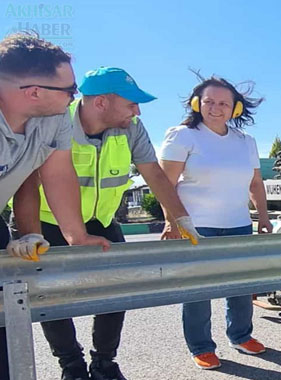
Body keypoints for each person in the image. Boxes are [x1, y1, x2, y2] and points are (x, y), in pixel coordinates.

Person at [10, 66, 203, 380]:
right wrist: (28, 231)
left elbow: (153, 173)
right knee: (50, 298)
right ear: (100, 103)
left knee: (118, 292)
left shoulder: (132, 128)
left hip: (102, 221)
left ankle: (104, 363)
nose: (137, 111)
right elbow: (29, 180)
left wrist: (180, 218)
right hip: (48, 221)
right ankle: (71, 366)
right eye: (130, 103)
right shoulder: (53, 123)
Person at [0, 33, 110, 380]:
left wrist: (77, 235)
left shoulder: (55, 115)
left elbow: (58, 172)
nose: (74, 97)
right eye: (70, 90)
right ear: (34, 92)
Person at [159, 76, 273, 370]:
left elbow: (256, 183)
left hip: (238, 225)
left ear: (234, 109)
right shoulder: (183, 135)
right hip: (196, 226)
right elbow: (164, 184)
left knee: (240, 286)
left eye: (223, 103)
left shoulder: (245, 141)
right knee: (199, 290)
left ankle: (241, 335)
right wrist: (171, 222)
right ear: (198, 104)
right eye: (209, 101)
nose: (215, 108)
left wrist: (262, 217)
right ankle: (201, 346)